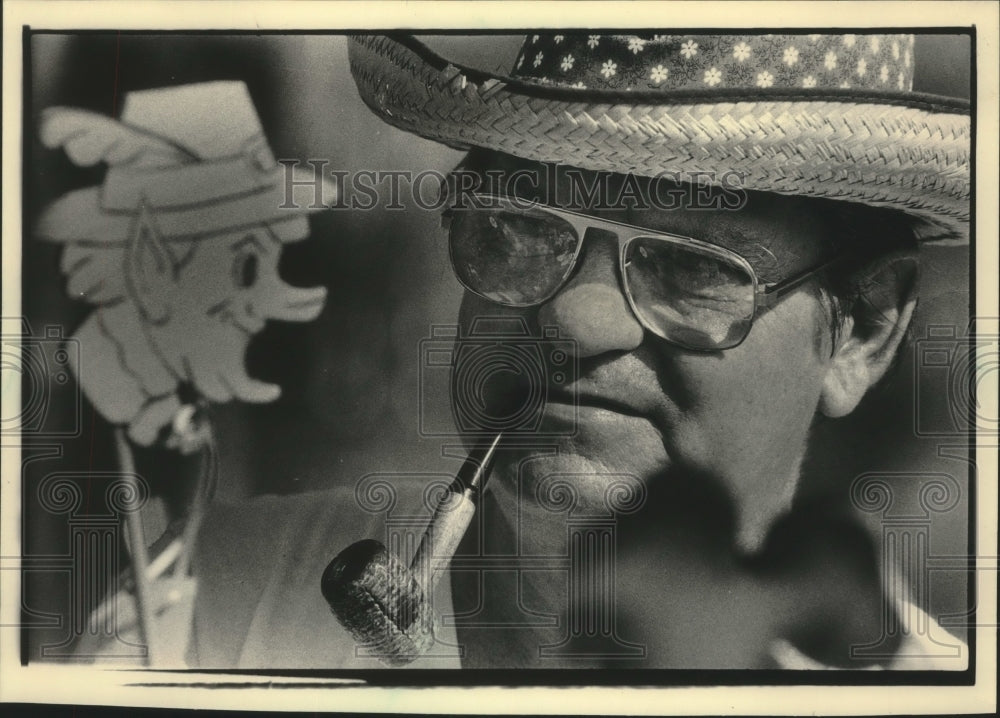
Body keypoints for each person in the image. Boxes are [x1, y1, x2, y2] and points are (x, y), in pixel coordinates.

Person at [78, 33, 973, 670]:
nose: (576, 324)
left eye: (691, 268)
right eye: (519, 231)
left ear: (864, 330)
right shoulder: (205, 621)